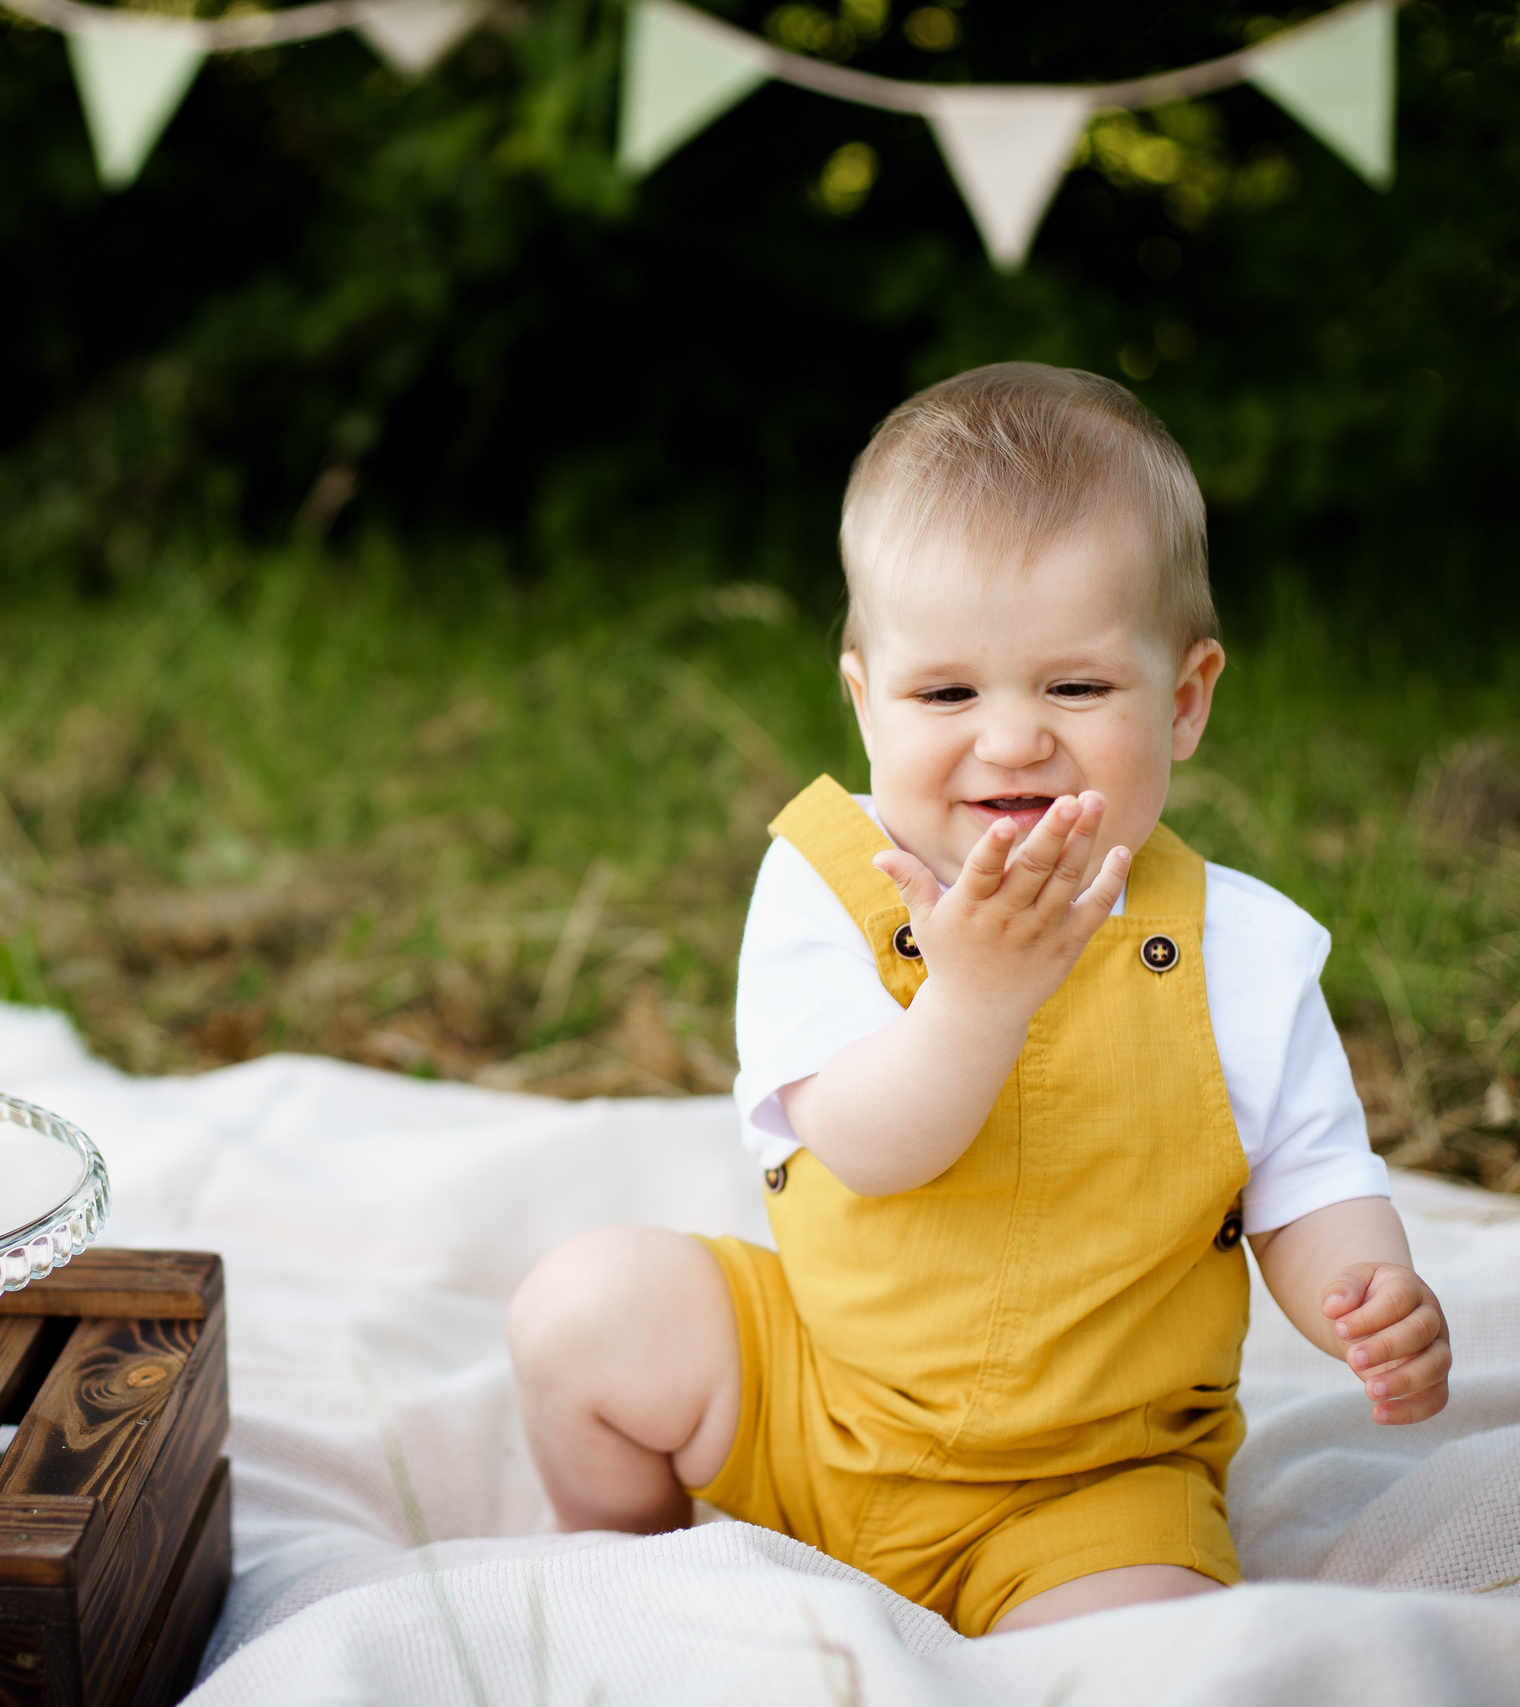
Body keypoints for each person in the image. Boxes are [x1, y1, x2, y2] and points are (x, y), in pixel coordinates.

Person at [506, 362, 1453, 1636]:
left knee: (1140, 1652)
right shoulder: (823, 887)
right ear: (865, 701)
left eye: (1073, 688)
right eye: (946, 693)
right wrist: (978, 999)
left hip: (1093, 1477)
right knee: (586, 1308)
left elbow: (1310, 1178)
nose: (1009, 739)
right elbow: (868, 1144)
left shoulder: (1244, 946)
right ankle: (633, 1576)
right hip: (819, 1402)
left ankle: (1055, 1613)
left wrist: (1370, 1298)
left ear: (1183, 701)